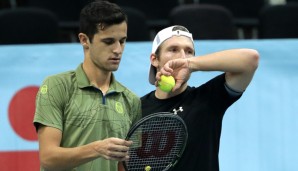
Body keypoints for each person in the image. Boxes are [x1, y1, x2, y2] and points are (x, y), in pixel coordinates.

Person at [33, 1, 141, 171]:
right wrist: (96, 149)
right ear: (84, 40)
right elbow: (48, 158)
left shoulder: (131, 100)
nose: (118, 50)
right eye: (108, 41)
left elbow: (126, 165)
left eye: (122, 41)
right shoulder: (56, 86)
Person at [141, 25, 259, 171]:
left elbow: (250, 59)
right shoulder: (135, 108)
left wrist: (190, 64)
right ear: (154, 59)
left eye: (189, 51)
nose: (182, 56)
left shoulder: (208, 98)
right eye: (173, 49)